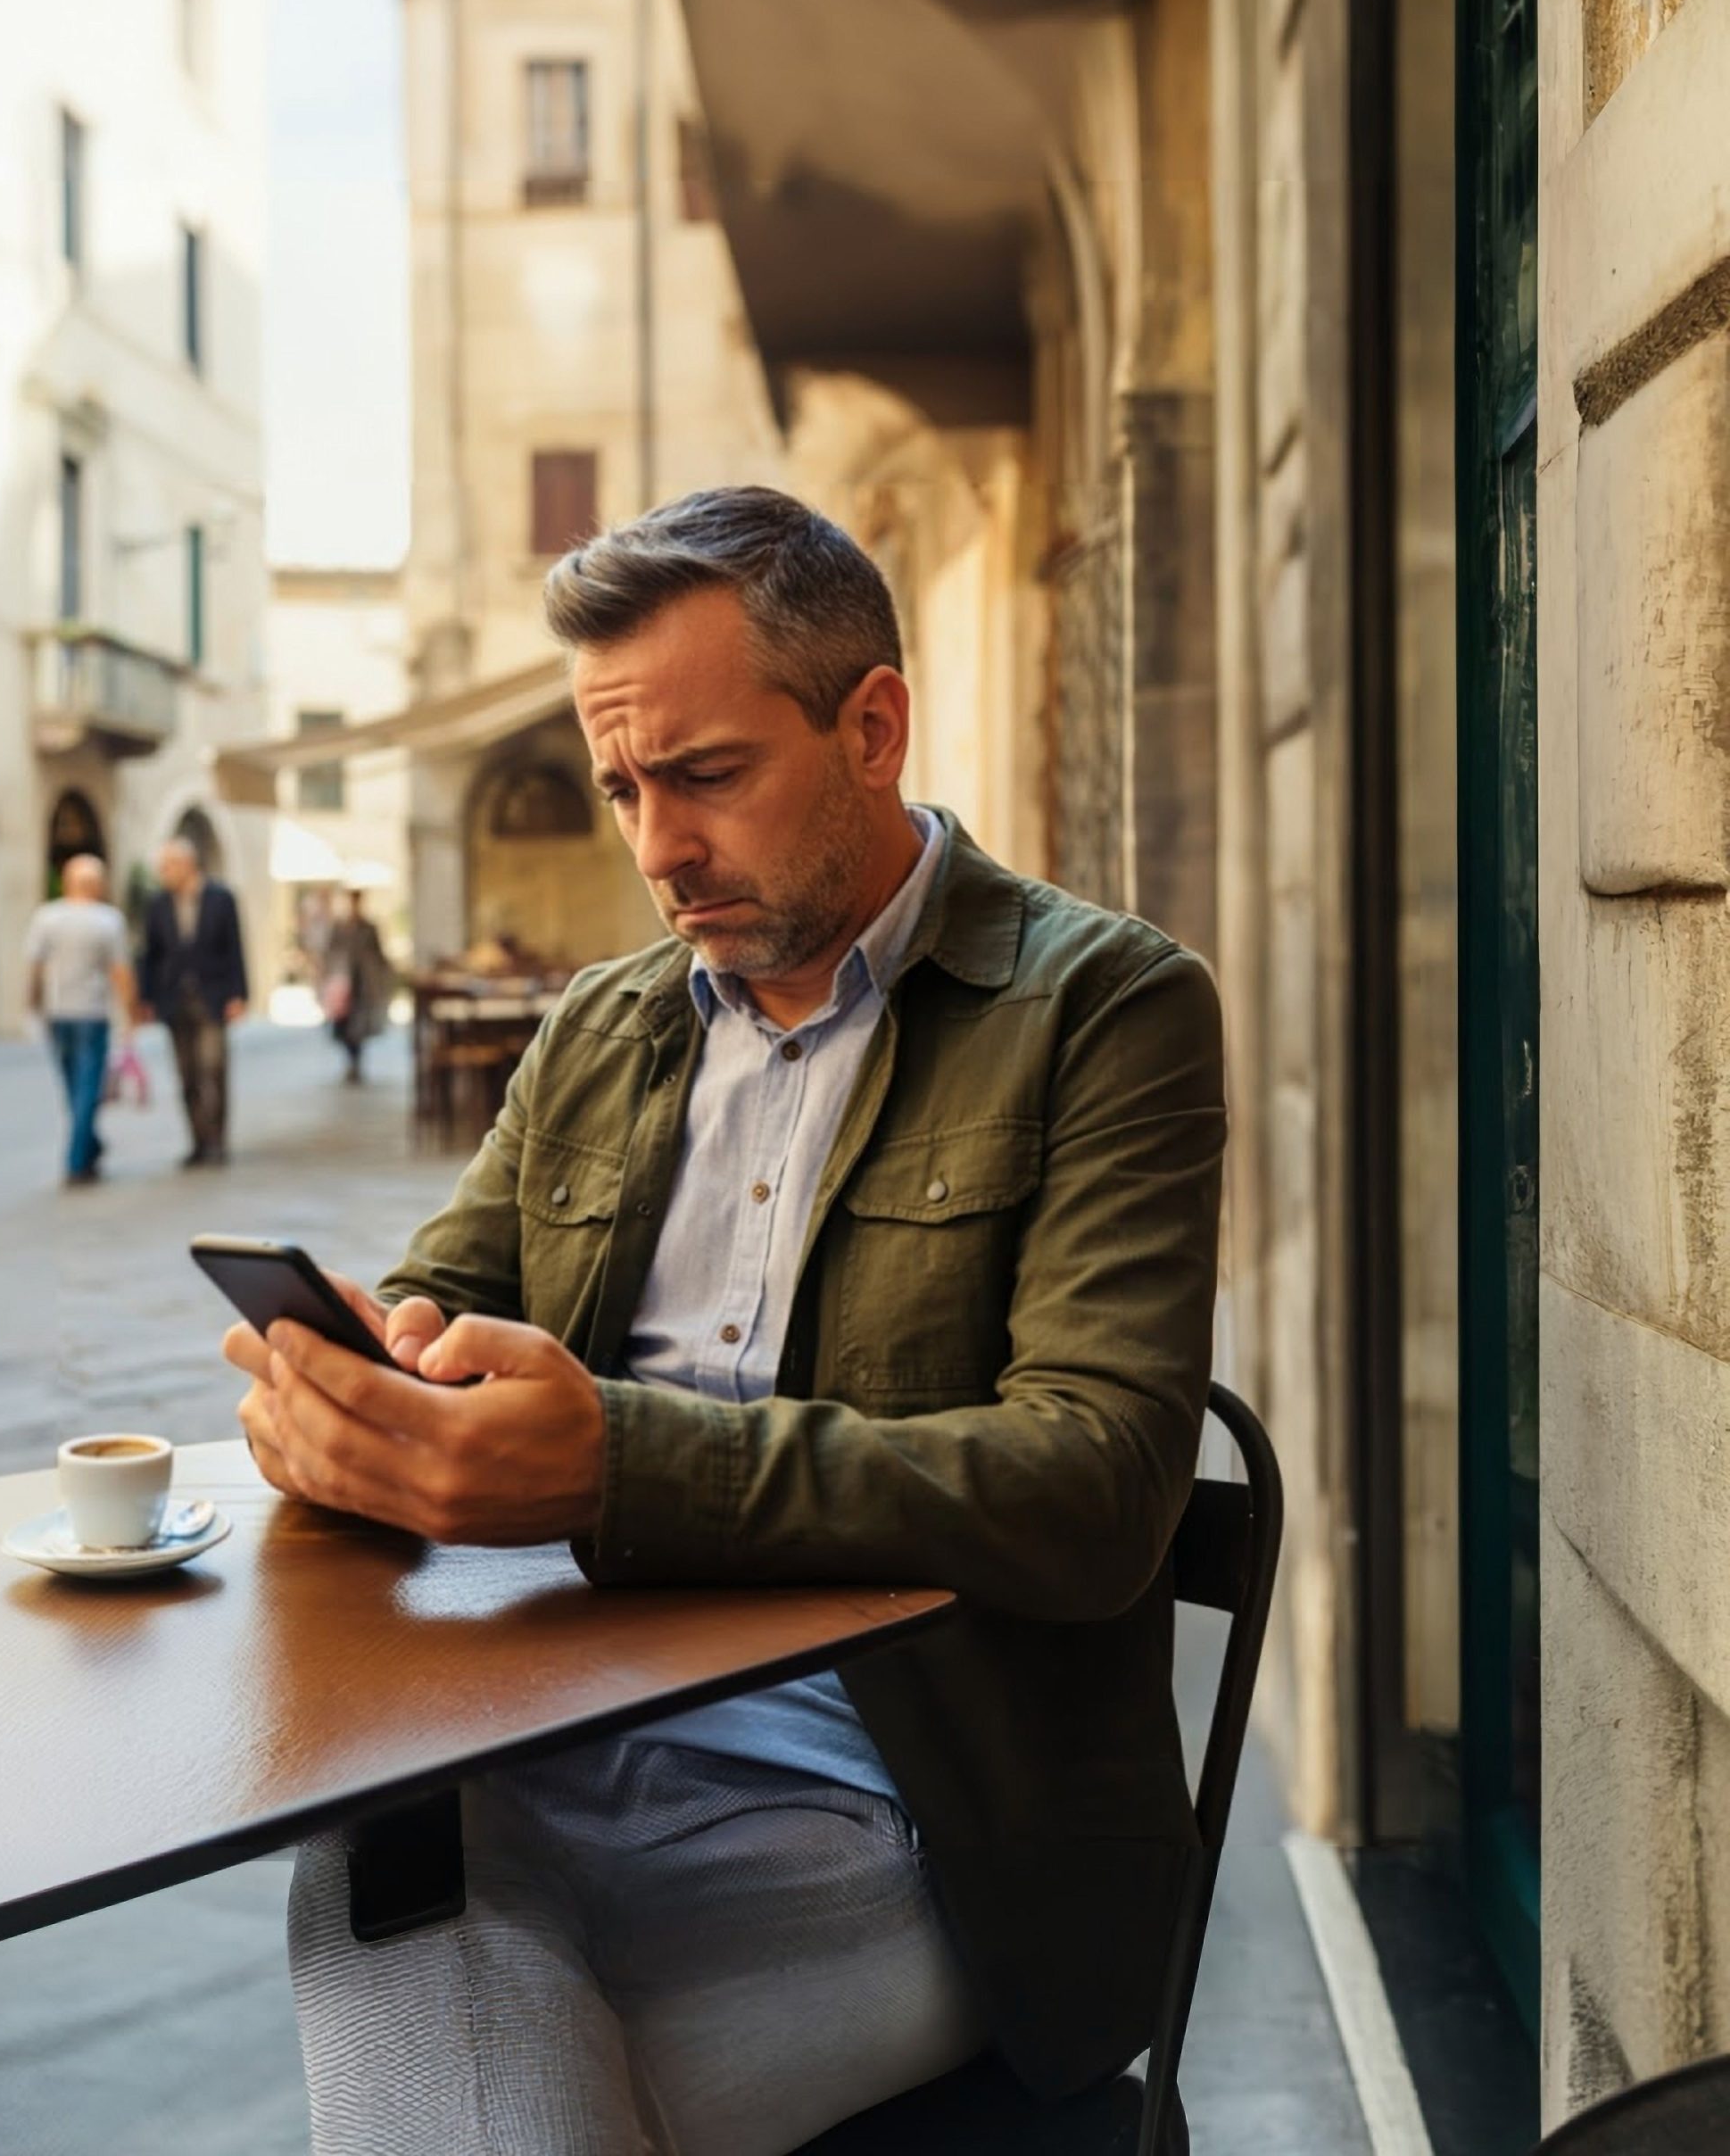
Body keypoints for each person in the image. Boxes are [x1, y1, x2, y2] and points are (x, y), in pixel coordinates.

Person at [223, 486, 1226, 2153]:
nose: (654, 848)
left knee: (450, 2066)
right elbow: (446, 1299)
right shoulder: (604, 1025)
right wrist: (349, 1386)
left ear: (873, 727)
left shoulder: (1103, 1009)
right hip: (548, 1740)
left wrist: (616, 1464)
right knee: (380, 1883)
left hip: (908, 1822)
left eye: (704, 777)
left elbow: (1102, 1484)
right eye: (624, 785)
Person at [23, 852, 137, 1187]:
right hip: (92, 1013)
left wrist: (32, 1003)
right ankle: (84, 1154)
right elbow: (120, 972)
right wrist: (131, 1011)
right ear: (97, 885)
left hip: (59, 1013)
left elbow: (34, 966)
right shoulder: (108, 920)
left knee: (74, 1086)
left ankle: (82, 1153)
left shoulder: (46, 917)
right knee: (87, 1087)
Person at [137, 838, 249, 1167]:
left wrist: (239, 994)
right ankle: (198, 1142)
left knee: (213, 1069)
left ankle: (217, 1140)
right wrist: (146, 998)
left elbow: (235, 948)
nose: (162, 873)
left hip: (213, 997)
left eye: (167, 866)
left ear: (187, 864)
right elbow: (150, 955)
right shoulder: (157, 903)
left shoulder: (221, 898)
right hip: (174, 999)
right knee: (186, 1074)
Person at [319, 888, 391, 1083]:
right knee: (344, 1024)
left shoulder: (368, 927)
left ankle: (356, 1062)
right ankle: (350, 1060)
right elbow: (330, 952)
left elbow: (378, 954)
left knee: (359, 1025)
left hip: (363, 983)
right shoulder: (340, 926)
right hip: (343, 982)